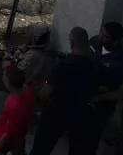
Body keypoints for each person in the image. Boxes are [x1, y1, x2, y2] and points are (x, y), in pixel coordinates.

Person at [29, 27, 102, 155]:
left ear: (72, 42)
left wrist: (36, 91)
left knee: (41, 149)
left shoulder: (63, 65)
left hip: (56, 112)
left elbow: (45, 93)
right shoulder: (96, 65)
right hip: (82, 113)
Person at [88, 21, 123, 146]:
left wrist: (101, 96)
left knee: (90, 139)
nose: (101, 38)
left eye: (106, 37)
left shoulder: (121, 63)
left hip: (100, 107)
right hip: (82, 98)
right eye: (101, 34)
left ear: (116, 40)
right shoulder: (93, 43)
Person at [0, 65, 35, 154]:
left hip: (8, 140)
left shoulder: (14, 106)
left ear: (9, 84)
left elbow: (8, 134)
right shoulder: (26, 89)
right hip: (21, 134)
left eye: (4, 76)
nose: (2, 77)